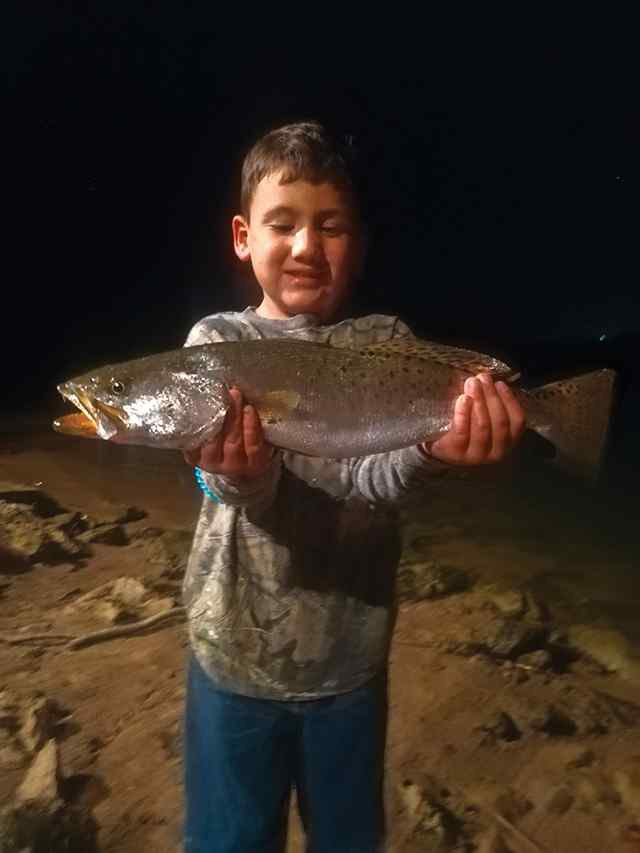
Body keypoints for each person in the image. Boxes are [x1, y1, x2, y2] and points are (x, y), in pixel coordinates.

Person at [180, 120, 526, 853]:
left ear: (358, 243)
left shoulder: (389, 343)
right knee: (228, 838)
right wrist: (236, 476)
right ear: (244, 236)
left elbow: (376, 480)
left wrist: (435, 447)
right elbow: (220, 486)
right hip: (232, 653)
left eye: (329, 226)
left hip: (351, 658)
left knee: (347, 838)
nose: (306, 245)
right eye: (284, 223)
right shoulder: (215, 346)